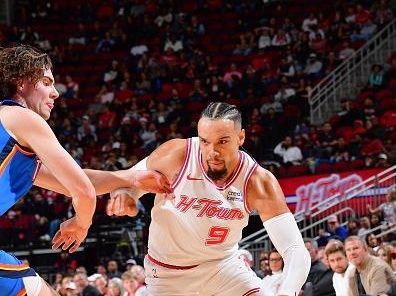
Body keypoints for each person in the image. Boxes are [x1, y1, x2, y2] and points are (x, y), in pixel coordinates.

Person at [0, 44, 170, 295]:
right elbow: (83, 191)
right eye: (46, 82)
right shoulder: (20, 117)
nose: (55, 92)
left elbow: (72, 181)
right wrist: (81, 223)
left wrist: (130, 178)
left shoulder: (10, 140)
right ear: (21, 82)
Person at [108, 102, 310, 295]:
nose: (212, 152)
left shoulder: (258, 182)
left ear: (241, 137)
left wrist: (286, 291)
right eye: (205, 141)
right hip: (168, 275)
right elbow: (127, 180)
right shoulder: (178, 155)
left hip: (224, 267)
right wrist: (126, 195)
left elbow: (295, 250)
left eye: (222, 141)